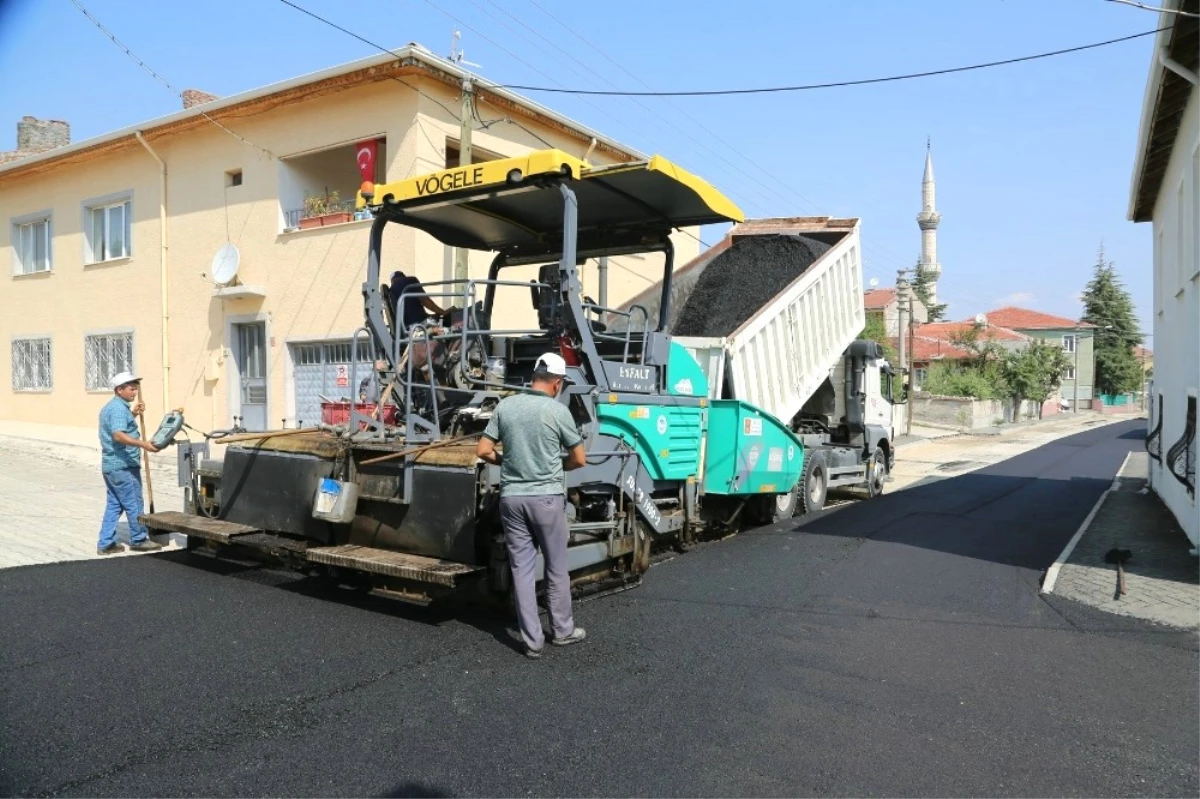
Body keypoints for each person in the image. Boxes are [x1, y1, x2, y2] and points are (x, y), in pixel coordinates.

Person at [476, 352, 587, 659]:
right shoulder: (557, 411)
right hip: (546, 499)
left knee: (521, 569)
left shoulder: (507, 405)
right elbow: (579, 459)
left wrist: (508, 461)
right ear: (557, 383)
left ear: (534, 376)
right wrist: (554, 464)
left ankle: (532, 642)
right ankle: (562, 631)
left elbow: (483, 450)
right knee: (555, 566)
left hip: (511, 499)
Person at [96, 372, 163, 555]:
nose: (135, 392)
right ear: (119, 390)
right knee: (134, 502)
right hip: (123, 466)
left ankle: (105, 542)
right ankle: (139, 539)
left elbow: (120, 428)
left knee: (115, 505)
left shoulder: (115, 407)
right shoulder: (118, 408)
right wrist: (144, 445)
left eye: (136, 388)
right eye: (131, 389)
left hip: (112, 466)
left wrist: (133, 414)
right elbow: (118, 435)